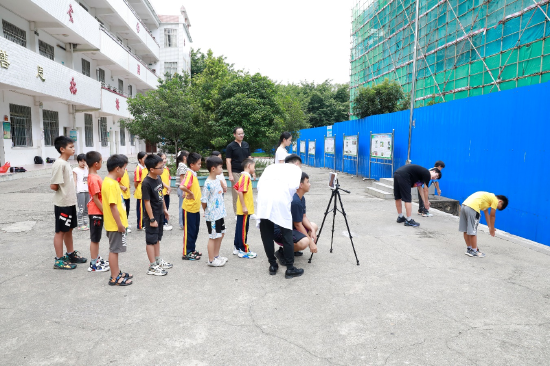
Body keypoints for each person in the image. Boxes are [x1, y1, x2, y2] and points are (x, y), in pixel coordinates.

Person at [257, 154, 304, 279]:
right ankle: (290, 269)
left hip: (263, 201)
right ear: (296, 164)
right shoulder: (295, 169)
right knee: (287, 235)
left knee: (266, 235)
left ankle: (272, 265)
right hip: (280, 201)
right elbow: (294, 187)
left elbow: (259, 185)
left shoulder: (271, 167)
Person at [50, 136, 87, 270]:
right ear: (62, 149)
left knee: (69, 229)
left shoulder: (66, 163)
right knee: (60, 231)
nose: (73, 149)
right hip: (62, 203)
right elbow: (53, 186)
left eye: (73, 146)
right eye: (70, 147)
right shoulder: (59, 164)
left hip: (70, 202)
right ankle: (59, 260)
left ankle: (70, 254)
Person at [102, 154, 132, 286]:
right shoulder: (110, 184)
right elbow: (113, 206)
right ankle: (114, 277)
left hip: (116, 223)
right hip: (115, 224)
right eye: (124, 168)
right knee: (114, 250)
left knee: (116, 249)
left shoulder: (113, 183)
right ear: (117, 168)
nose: (125, 171)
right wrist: (120, 224)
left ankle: (117, 272)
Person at [274, 172, 318, 261]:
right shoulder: (295, 201)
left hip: (290, 227)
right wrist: (310, 242)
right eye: (307, 182)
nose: (309, 184)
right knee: (304, 242)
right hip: (280, 232)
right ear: (301, 185)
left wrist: (312, 230)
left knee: (313, 226)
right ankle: (283, 252)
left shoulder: (301, 197)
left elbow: (303, 217)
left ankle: (293, 249)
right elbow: (298, 224)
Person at [142, 154, 173, 276]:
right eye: (160, 167)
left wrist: (164, 209)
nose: (163, 168)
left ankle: (158, 260)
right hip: (152, 216)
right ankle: (152, 266)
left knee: (157, 238)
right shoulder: (146, 183)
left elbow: (161, 196)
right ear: (152, 169)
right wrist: (152, 219)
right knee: (151, 240)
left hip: (159, 213)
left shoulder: (158, 178)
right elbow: (146, 202)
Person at [460, 192, 508, 258]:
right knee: (473, 231)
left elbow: (486, 214)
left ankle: (469, 249)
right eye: (497, 206)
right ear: (500, 201)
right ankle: (474, 250)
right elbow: (492, 215)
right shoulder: (494, 199)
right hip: (472, 208)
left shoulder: (487, 198)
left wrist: (489, 227)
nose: (495, 207)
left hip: (464, 205)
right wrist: (492, 229)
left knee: (465, 229)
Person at [201, 156, 228, 267]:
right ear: (213, 168)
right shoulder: (208, 184)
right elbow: (204, 201)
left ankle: (216, 256)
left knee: (220, 234)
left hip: (220, 213)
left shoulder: (217, 180)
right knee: (213, 236)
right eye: (220, 167)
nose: (221, 169)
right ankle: (211, 260)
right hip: (212, 215)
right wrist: (207, 211)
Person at [86, 151, 109, 272]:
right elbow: (95, 198)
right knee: (95, 239)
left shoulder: (95, 176)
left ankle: (96, 258)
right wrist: (105, 211)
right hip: (96, 212)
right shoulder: (94, 179)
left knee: (97, 237)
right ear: (96, 164)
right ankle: (93, 264)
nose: (102, 163)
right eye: (101, 161)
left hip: (97, 212)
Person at [180, 152, 203, 261]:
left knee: (194, 230)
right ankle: (186, 253)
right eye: (198, 164)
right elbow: (182, 186)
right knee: (189, 231)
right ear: (192, 165)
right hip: (189, 208)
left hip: (195, 208)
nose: (200, 165)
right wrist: (190, 193)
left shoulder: (193, 173)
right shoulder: (189, 174)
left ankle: (192, 249)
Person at [226, 127, 254, 215]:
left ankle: (248, 210)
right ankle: (237, 212)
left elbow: (249, 158)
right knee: (237, 193)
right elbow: (228, 161)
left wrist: (253, 172)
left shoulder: (246, 144)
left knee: (247, 192)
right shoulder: (230, 146)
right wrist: (230, 174)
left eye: (242, 133)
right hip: (235, 172)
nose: (241, 135)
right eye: (239, 134)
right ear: (234, 135)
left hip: (246, 173)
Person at [233, 158, 257, 259]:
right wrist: (244, 206)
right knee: (243, 229)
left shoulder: (243, 176)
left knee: (240, 228)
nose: (254, 169)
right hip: (244, 210)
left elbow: (236, 187)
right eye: (254, 167)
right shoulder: (245, 177)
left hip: (242, 209)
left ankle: (237, 247)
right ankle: (243, 250)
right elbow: (240, 191)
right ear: (249, 166)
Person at [72, 153, 89, 231]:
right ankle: (80, 224)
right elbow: (75, 180)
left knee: (86, 208)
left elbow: (91, 175)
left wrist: (87, 166)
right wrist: (74, 190)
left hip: (87, 191)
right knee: (81, 208)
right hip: (80, 191)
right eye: (81, 161)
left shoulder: (87, 169)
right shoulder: (75, 170)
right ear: (78, 161)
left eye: (84, 161)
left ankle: (86, 223)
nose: (83, 163)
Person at [158, 152, 173, 231]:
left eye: (165, 158)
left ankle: (165, 221)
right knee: (162, 207)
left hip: (167, 191)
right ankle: (162, 223)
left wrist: (169, 188)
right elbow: (159, 180)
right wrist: (167, 187)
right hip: (161, 191)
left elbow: (169, 178)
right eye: (162, 158)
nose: (164, 160)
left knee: (167, 206)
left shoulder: (166, 168)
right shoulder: (159, 169)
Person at [134, 152, 148, 230]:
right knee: (140, 209)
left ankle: (144, 223)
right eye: (144, 158)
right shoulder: (138, 169)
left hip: (145, 191)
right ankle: (140, 225)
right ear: (140, 160)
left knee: (145, 208)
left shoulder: (145, 167)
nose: (146, 159)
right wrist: (136, 189)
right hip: (140, 192)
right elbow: (136, 182)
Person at [176, 150, 189, 229]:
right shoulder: (182, 166)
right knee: (182, 206)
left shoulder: (182, 165)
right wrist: (184, 190)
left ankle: (183, 223)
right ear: (184, 157)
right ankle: (182, 224)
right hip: (182, 189)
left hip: (182, 189)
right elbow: (182, 178)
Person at [117, 167, 132, 233]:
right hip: (122, 195)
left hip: (127, 194)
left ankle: (126, 223)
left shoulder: (125, 170)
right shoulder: (119, 172)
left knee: (127, 210)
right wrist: (122, 187)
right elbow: (115, 182)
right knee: (123, 211)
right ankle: (123, 226)